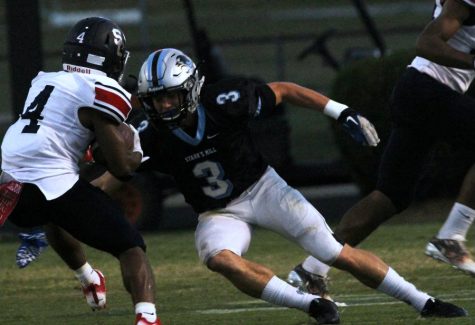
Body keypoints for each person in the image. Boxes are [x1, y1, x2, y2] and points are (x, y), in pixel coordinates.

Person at [117, 47, 464, 322]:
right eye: (156, 99)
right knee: (219, 258)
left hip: (263, 189)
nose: (163, 106)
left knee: (331, 251)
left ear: (190, 89)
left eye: (170, 97)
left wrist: (340, 112)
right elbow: (117, 168)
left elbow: (284, 91)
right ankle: (311, 306)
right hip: (218, 211)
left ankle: (424, 302)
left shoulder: (225, 101)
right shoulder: (151, 135)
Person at [288, 0, 475, 299]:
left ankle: (312, 268)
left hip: (420, 92)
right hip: (428, 90)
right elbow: (427, 42)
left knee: (390, 197)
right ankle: (451, 238)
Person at [0, 17, 160, 325]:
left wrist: (88, 147)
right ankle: (147, 318)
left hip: (12, 172)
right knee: (130, 247)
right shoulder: (102, 90)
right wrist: (136, 147)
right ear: (112, 57)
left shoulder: (44, 80)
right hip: (53, 179)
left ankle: (88, 277)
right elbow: (122, 169)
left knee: (51, 214)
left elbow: (59, 124)